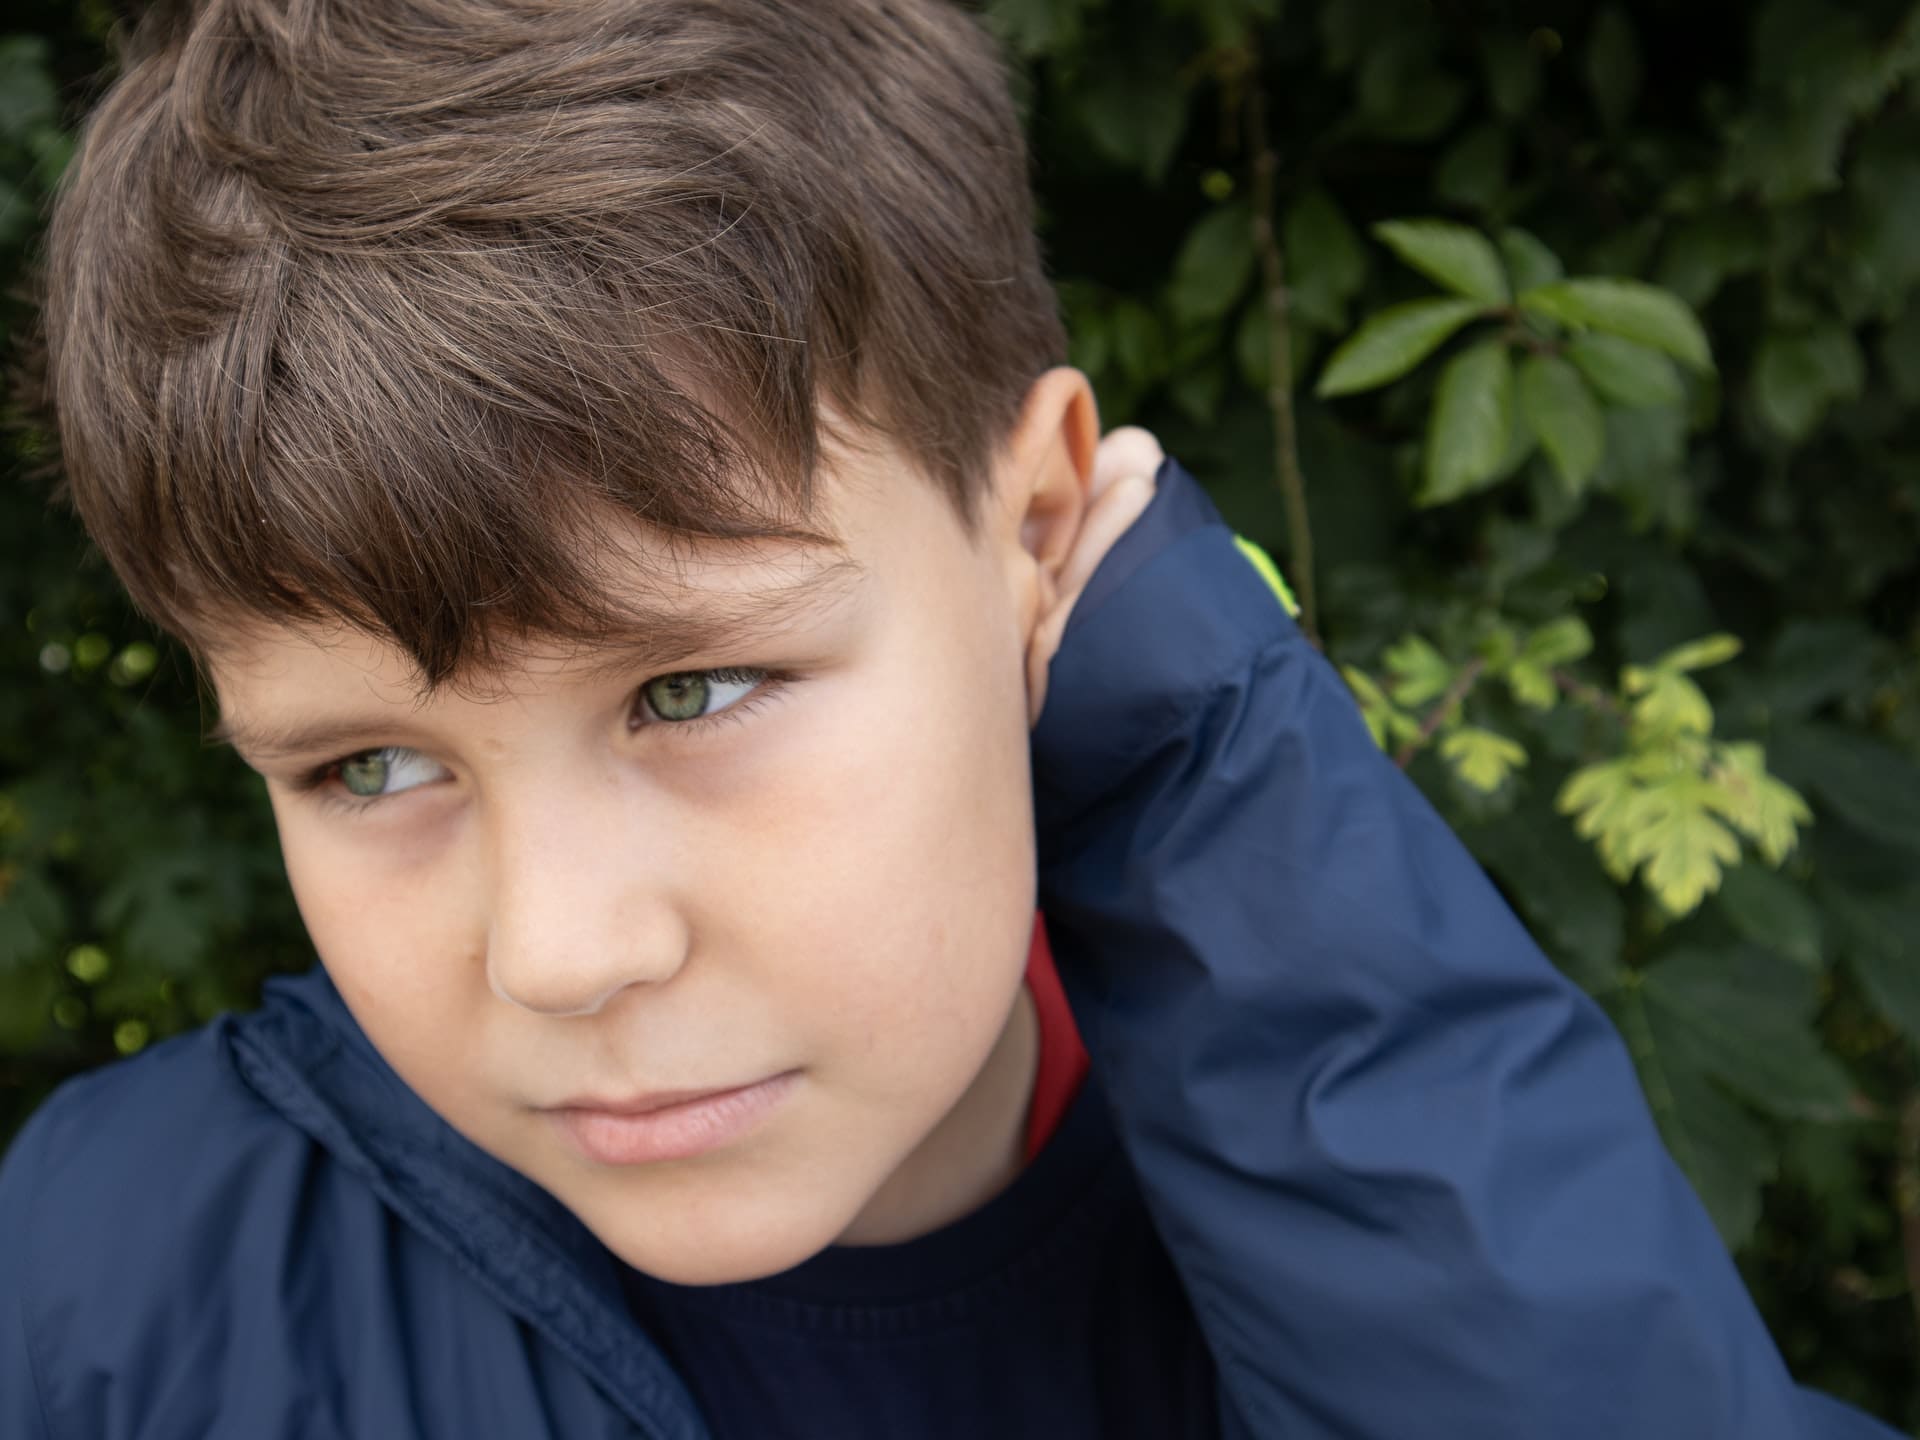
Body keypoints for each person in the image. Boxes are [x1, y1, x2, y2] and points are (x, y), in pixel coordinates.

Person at [0, 1, 1899, 1436]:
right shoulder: (106, 1289)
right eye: (371, 766)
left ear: (1047, 532)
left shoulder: (1416, 1229)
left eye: (696, 686)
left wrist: (1199, 734)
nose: (564, 952)